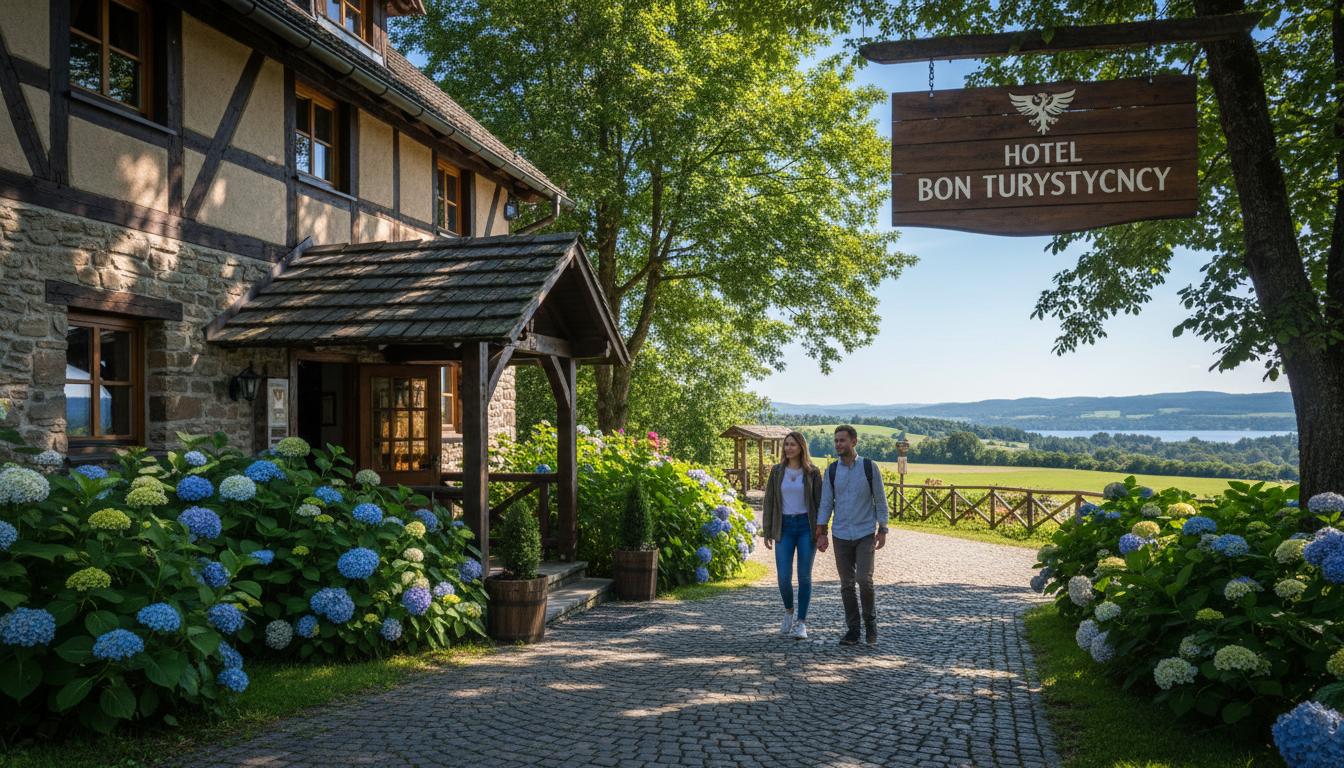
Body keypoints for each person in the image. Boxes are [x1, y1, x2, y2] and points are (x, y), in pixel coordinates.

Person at [815, 425, 889, 646]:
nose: (838, 444)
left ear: (854, 442)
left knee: (863, 580)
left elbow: (880, 499)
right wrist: (822, 531)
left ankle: (871, 624)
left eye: (842, 440)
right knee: (846, 584)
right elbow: (826, 502)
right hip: (840, 534)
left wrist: (883, 528)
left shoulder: (869, 467)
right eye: (836, 441)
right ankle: (853, 630)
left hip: (865, 532)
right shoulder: (832, 471)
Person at [760, 431, 821, 640]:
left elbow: (820, 503)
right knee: (783, 577)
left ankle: (801, 623)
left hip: (806, 527)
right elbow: (769, 501)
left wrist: (822, 531)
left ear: (801, 447)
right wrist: (767, 530)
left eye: (793, 444)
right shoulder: (777, 471)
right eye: (786, 444)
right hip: (783, 527)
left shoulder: (812, 472)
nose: (789, 448)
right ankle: (788, 611)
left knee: (804, 577)